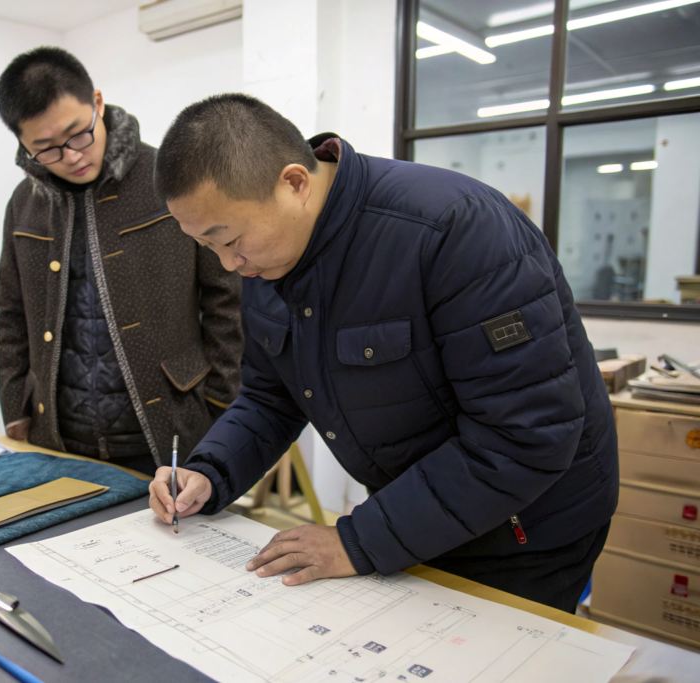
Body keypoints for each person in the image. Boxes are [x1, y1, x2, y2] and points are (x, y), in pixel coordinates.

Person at [148, 93, 618, 613]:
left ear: (295, 183)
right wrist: (210, 471)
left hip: (524, 532)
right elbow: (270, 397)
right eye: (207, 246)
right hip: (418, 514)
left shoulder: (454, 229)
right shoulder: (267, 261)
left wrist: (360, 539)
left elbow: (525, 435)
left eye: (229, 239)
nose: (227, 264)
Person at [0, 48, 243, 474]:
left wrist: (222, 401)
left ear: (97, 103)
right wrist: (15, 404)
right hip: (59, 437)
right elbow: (11, 313)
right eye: (46, 149)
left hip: (172, 428)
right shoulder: (24, 203)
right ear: (22, 143)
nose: (71, 156)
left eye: (77, 134)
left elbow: (226, 297)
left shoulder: (170, 178)